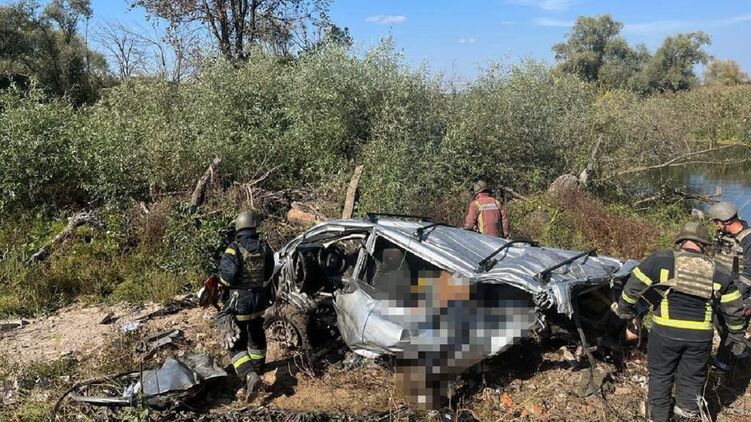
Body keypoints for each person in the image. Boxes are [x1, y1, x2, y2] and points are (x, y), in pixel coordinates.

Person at [613, 222, 747, 422]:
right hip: (700, 336)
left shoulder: (661, 259)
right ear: (704, 245)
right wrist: (736, 335)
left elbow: (633, 287)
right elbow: (734, 310)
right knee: (692, 378)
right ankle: (686, 416)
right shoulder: (719, 270)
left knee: (660, 375)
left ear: (680, 241)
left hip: (665, 332)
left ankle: (658, 417)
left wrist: (624, 309)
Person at [216, 210, 274, 400]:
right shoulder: (264, 247)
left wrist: (221, 283)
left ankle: (250, 376)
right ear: (254, 226)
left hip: (239, 303)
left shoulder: (233, 249)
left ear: (238, 227)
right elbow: (269, 273)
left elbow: (227, 277)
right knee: (256, 337)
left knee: (235, 344)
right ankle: (257, 372)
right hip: (259, 302)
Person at [707, 201, 751, 371]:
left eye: (717, 222)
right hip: (721, 293)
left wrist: (734, 294)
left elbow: (749, 275)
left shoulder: (748, 240)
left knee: (734, 331)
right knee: (720, 326)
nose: (716, 226)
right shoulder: (722, 236)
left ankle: (726, 366)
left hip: (741, 296)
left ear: (726, 221)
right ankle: (737, 356)